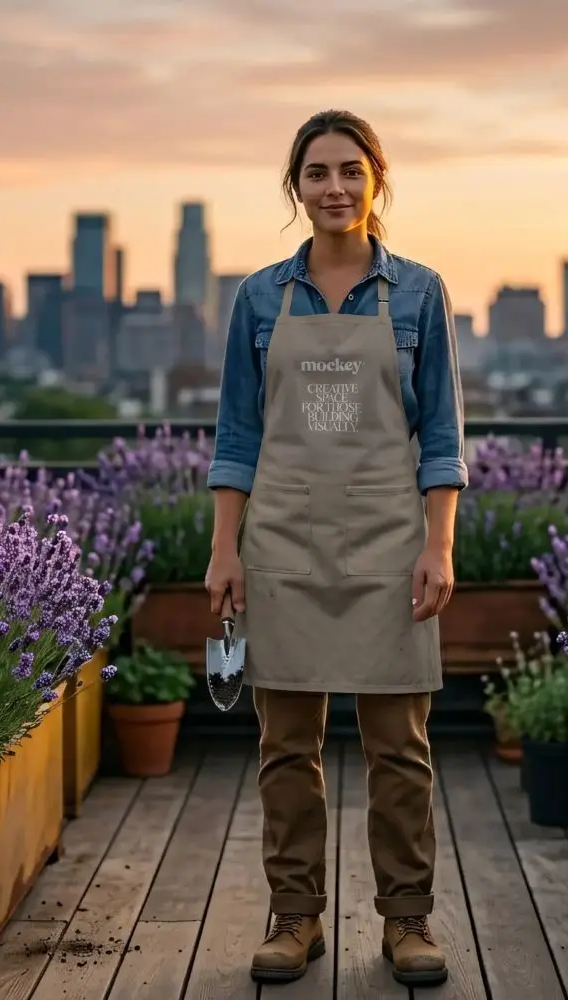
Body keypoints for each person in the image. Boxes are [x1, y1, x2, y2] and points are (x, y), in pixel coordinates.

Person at [205, 109, 467, 987]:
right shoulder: (257, 299)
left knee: (400, 749)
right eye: (317, 173)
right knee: (286, 747)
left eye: (351, 171)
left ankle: (407, 919)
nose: (335, 188)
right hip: (281, 539)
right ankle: (296, 916)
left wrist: (439, 546)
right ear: (296, 187)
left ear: (376, 179)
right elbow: (237, 437)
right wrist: (225, 549)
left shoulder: (420, 293)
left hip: (391, 543)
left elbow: (442, 439)